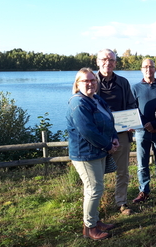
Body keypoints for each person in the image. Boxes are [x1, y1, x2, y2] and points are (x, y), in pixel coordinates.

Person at [66, 68, 118, 240]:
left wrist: (114, 137)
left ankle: (95, 221)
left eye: (93, 81)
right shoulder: (78, 104)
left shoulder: (96, 99)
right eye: (86, 81)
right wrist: (108, 145)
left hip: (98, 151)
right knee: (94, 189)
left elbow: (109, 121)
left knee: (96, 188)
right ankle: (89, 228)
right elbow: (88, 131)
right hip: (85, 154)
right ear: (78, 84)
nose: (90, 83)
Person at [96, 49, 137, 214]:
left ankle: (121, 202)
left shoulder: (123, 82)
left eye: (111, 60)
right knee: (97, 173)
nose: (108, 63)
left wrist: (132, 121)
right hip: (98, 135)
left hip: (121, 134)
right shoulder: (91, 81)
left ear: (115, 63)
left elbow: (131, 104)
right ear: (98, 62)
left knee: (123, 171)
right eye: (104, 59)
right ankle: (97, 205)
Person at [131, 59, 156, 204]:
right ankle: (144, 191)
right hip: (141, 131)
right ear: (141, 69)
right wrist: (144, 124)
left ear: (155, 69)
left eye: (151, 67)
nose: (148, 69)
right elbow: (132, 109)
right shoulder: (135, 88)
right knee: (142, 164)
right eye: (145, 67)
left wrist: (154, 124)